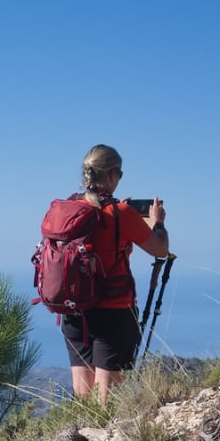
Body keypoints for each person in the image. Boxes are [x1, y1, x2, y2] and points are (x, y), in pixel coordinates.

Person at [62, 145, 169, 404]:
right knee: (108, 399)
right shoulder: (120, 213)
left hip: (74, 311)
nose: (119, 180)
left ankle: (83, 440)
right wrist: (158, 222)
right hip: (114, 311)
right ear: (110, 175)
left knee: (83, 395)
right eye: (119, 174)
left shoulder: (69, 208)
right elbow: (161, 250)